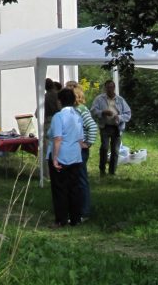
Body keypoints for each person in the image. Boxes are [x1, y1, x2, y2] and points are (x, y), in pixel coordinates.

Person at [47, 87, 84, 227]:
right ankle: (75, 218)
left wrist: (54, 158)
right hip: (75, 155)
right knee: (74, 188)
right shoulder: (77, 115)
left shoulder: (58, 116)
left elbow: (57, 138)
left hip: (62, 155)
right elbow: (81, 139)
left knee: (60, 189)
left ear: (59, 101)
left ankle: (61, 219)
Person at [66, 81, 97, 219]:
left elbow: (92, 126)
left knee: (80, 180)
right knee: (74, 180)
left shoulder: (81, 110)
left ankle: (84, 211)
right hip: (73, 148)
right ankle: (75, 209)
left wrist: (87, 143)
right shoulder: (73, 110)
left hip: (80, 149)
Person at [90, 79, 131, 176]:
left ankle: (112, 171)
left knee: (115, 150)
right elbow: (92, 111)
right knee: (104, 148)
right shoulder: (99, 99)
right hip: (105, 126)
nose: (110, 89)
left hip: (117, 127)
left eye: (112, 87)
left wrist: (119, 117)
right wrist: (102, 112)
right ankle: (102, 170)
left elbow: (128, 114)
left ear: (114, 88)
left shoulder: (120, 100)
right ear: (105, 88)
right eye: (108, 87)